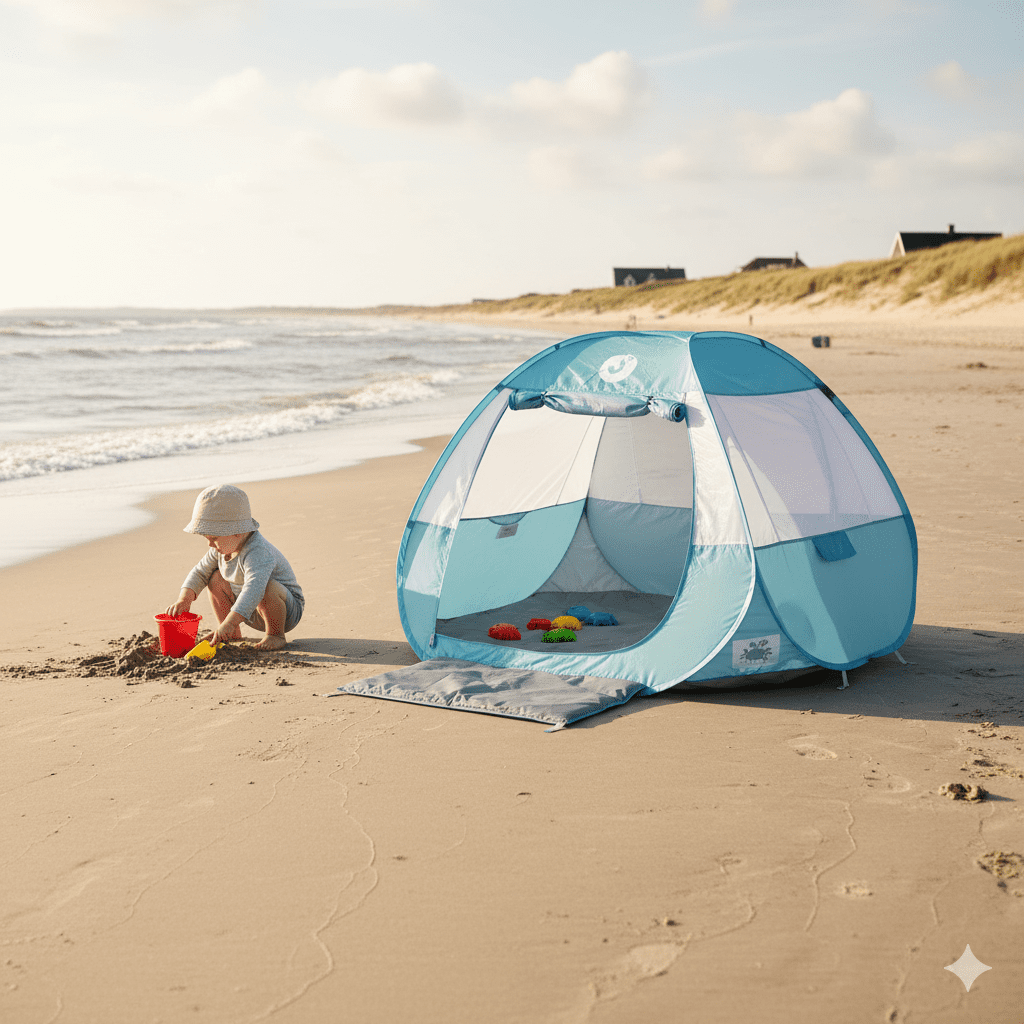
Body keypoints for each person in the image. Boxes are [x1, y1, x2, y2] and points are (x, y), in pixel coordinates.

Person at [166, 484, 304, 652]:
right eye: (206, 538)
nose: (210, 544)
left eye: (214, 538)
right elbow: (200, 572)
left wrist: (230, 622)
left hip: (285, 612)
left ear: (237, 531)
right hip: (249, 611)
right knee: (215, 578)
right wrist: (184, 599)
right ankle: (230, 633)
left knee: (265, 586)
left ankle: (276, 635)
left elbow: (254, 590)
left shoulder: (258, 552)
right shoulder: (221, 549)